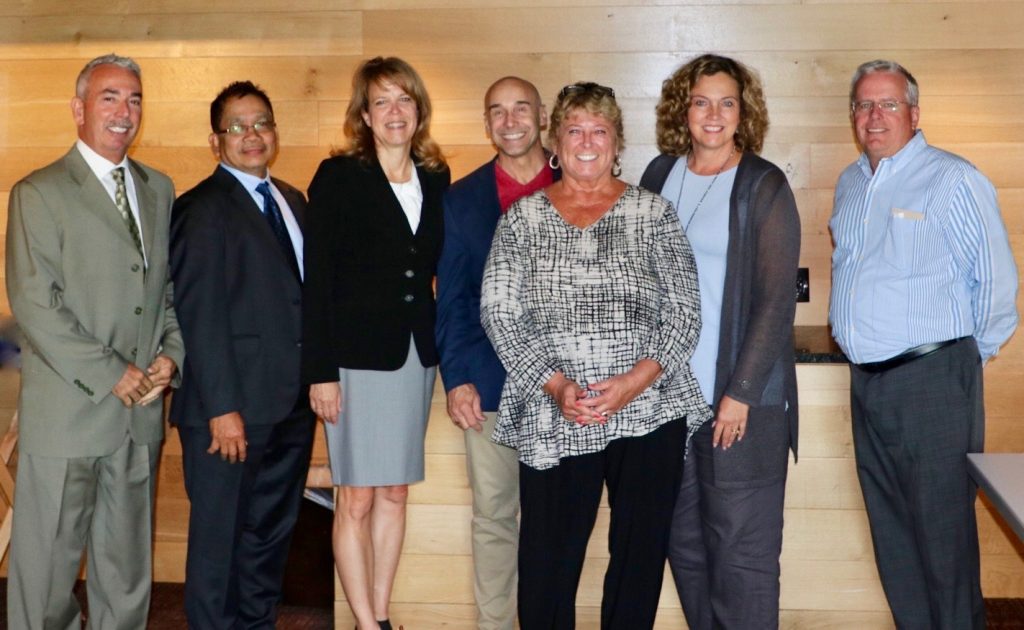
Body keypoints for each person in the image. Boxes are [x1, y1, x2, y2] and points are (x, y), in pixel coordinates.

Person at [481, 82, 709, 629]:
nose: (587, 142)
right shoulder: (523, 220)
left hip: (649, 408)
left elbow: (685, 313)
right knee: (546, 565)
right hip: (555, 410)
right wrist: (557, 385)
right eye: (575, 130)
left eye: (599, 131)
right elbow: (499, 312)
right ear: (555, 143)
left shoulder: (654, 214)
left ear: (616, 143)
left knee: (638, 558)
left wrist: (634, 381)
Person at [830, 59, 1018, 629]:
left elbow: (998, 285)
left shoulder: (952, 178)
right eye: (864, 105)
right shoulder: (849, 182)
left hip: (934, 380)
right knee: (894, 537)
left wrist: (961, 361)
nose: (875, 116)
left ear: (914, 113)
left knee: (944, 541)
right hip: (867, 384)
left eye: (888, 104)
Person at [4, 53, 184, 628]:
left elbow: (170, 294)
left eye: (134, 98)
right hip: (67, 416)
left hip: (138, 418)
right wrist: (114, 372)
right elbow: (36, 306)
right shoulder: (38, 192)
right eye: (110, 97)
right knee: (46, 573)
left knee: (126, 571)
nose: (123, 111)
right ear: (79, 108)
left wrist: (169, 359)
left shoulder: (159, 188)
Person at [640, 54, 801, 629]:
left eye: (727, 102)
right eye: (701, 101)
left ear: (743, 112)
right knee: (683, 544)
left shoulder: (762, 184)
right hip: (667, 403)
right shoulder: (659, 175)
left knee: (741, 554)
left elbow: (776, 299)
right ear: (683, 110)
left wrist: (741, 392)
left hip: (737, 402)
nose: (714, 114)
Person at [302, 56, 450, 630]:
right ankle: (364, 623)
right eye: (382, 102)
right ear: (364, 114)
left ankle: (382, 614)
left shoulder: (435, 178)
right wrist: (321, 371)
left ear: (419, 110)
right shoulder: (338, 178)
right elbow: (318, 283)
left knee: (394, 491)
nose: (395, 112)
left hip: (415, 359)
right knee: (355, 497)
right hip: (354, 363)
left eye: (404, 100)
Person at [169, 80, 316, 628]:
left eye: (261, 123)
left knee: (268, 541)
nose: (252, 136)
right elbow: (198, 315)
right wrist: (222, 409)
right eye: (237, 127)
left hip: (288, 408)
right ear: (216, 141)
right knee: (218, 547)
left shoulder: (293, 201)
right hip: (226, 414)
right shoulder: (201, 210)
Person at [435, 75, 556, 630]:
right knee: (494, 519)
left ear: (543, 116)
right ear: (486, 124)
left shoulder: (582, 177)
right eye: (498, 112)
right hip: (490, 387)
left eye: (521, 109)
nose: (510, 121)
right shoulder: (462, 200)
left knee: (557, 520)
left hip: (568, 390)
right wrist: (457, 376)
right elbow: (453, 297)